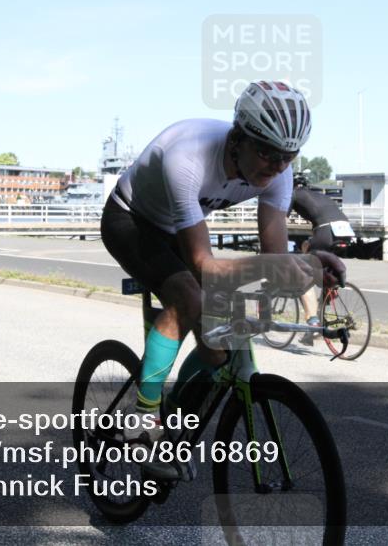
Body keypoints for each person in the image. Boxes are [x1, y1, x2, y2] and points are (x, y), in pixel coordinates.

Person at [100, 80, 344, 480]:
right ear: (238, 137)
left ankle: (175, 418)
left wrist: (310, 267)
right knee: (188, 297)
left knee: (219, 347)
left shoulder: (278, 172)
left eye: (288, 156)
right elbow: (202, 266)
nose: (277, 166)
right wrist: (278, 268)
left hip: (178, 228)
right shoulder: (188, 156)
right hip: (131, 220)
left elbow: (274, 258)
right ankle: (143, 423)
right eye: (266, 152)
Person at [290, 171, 355, 345]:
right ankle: (327, 300)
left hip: (326, 231)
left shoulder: (292, 194)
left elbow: (279, 221)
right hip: (346, 231)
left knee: (304, 275)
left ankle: (313, 322)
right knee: (322, 269)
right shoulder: (318, 195)